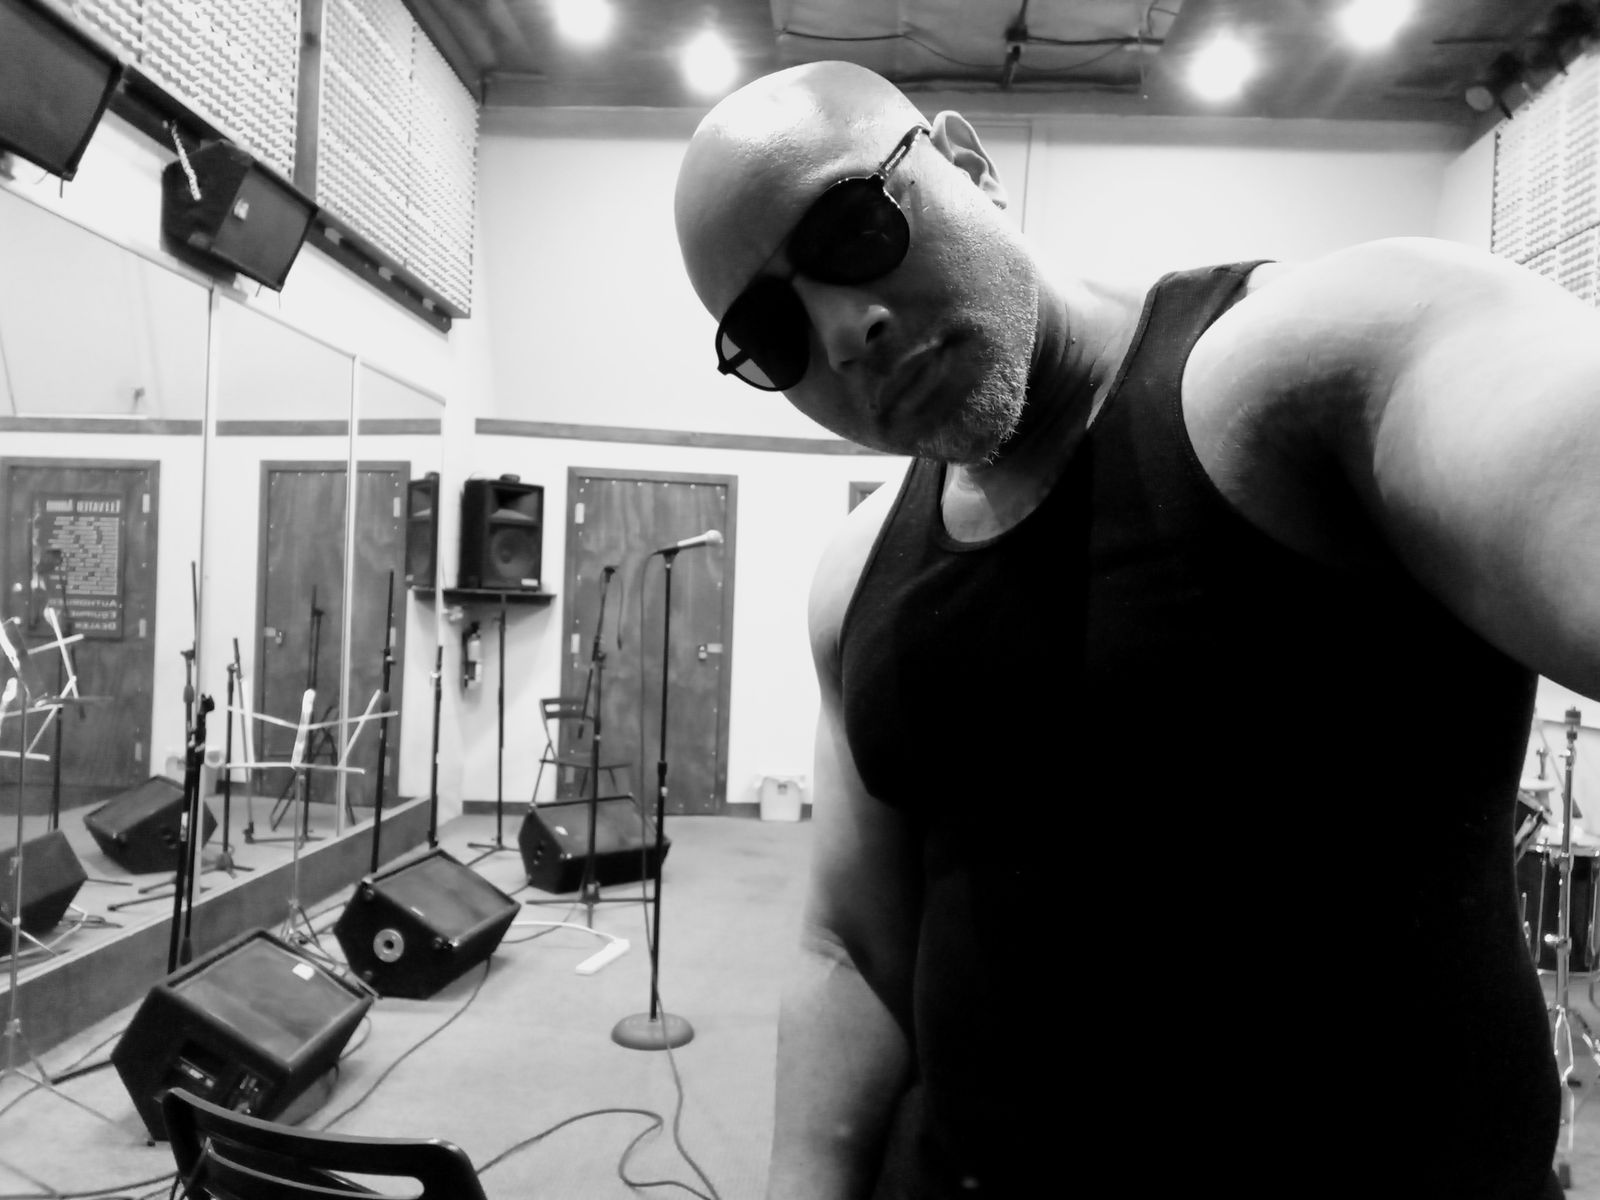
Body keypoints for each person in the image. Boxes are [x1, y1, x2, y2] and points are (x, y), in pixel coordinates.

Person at [674, 60, 1600, 1199]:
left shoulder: (1308, 362)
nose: (843, 331)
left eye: (853, 227)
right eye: (772, 332)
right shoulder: (855, 576)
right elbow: (850, 951)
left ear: (967, 164)